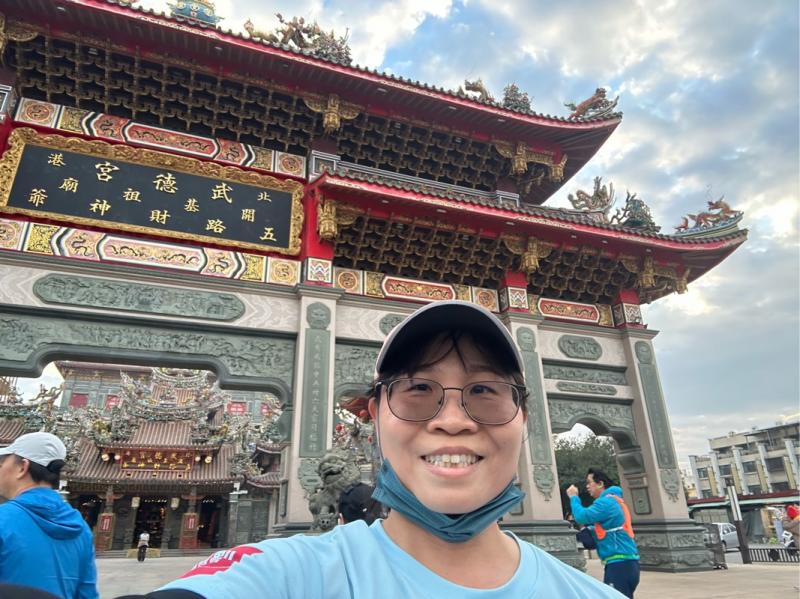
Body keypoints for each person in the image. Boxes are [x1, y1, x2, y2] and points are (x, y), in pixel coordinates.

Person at [118, 300, 625, 598]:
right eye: (418, 389)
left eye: (484, 390)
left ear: (524, 419)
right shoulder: (289, 575)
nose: (452, 420)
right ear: (375, 416)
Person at [0, 431, 99, 599]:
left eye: (1, 465)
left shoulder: (3, 519)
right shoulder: (80, 528)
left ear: (22, 467)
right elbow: (86, 594)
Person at [567, 469, 640, 598]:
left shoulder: (606, 502)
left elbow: (581, 516)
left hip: (619, 564)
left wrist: (574, 497)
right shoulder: (615, 500)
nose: (587, 486)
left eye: (589, 482)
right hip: (625, 563)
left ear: (600, 484)